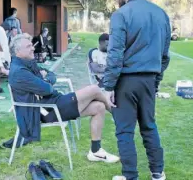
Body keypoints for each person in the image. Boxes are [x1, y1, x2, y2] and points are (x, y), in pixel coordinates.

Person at [8, 34, 120, 165]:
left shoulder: (27, 64)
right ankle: (118, 115)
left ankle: (96, 152)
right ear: (18, 52)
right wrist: (44, 80)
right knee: (94, 90)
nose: (33, 48)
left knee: (99, 107)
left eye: (31, 45)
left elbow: (51, 75)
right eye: (28, 46)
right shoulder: (19, 71)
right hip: (45, 111)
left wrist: (45, 79)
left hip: (52, 104)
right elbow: (48, 89)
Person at [105, 0, 169, 180]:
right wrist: (155, 83)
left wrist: (108, 87)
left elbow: (115, 55)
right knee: (149, 127)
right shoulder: (161, 14)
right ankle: (157, 174)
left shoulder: (121, 15)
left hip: (126, 81)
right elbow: (164, 55)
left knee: (124, 131)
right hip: (149, 80)